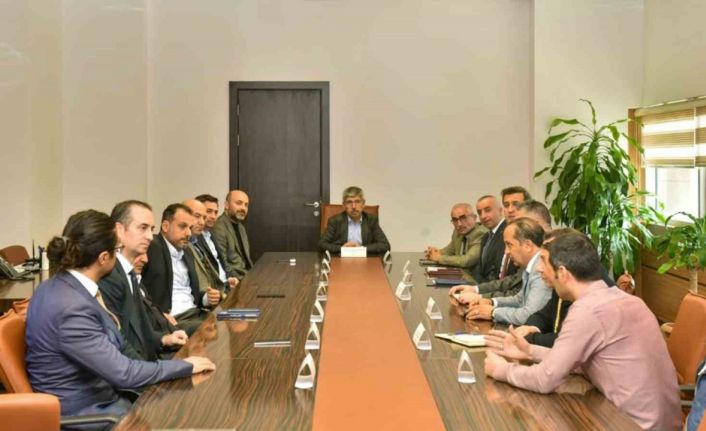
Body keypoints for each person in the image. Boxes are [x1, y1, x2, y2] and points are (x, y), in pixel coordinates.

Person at [25, 209, 215, 420]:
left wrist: (170, 361)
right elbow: (123, 373)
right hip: (90, 413)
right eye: (117, 250)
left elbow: (119, 343)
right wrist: (184, 366)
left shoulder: (66, 287)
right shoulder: (70, 307)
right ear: (103, 258)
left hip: (107, 394)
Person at [484, 230, 682, 430]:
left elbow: (545, 379)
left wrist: (501, 370)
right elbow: (584, 362)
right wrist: (530, 351)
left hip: (632, 425)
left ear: (563, 273)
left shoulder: (588, 310)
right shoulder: (628, 301)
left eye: (543, 261)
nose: (538, 269)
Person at [98, 200, 188, 361]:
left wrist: (164, 339)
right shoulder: (109, 276)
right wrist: (168, 369)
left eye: (151, 229)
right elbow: (120, 345)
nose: (150, 237)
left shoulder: (129, 273)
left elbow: (139, 332)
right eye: (143, 228)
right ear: (119, 230)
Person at [142, 204, 221, 335]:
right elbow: (139, 292)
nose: (188, 233)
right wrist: (157, 317)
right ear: (165, 226)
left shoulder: (187, 251)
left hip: (196, 313)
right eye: (182, 226)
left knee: (233, 318)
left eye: (190, 228)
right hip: (175, 320)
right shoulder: (152, 247)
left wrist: (206, 298)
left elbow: (189, 293)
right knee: (214, 328)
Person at [465, 217, 552, 325]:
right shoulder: (530, 265)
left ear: (528, 245)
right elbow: (520, 300)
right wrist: (492, 302)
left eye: (509, 245)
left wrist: (493, 312)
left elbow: (529, 315)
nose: (506, 252)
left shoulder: (540, 270)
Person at [318, 186, 391, 254]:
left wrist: (361, 248)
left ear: (363, 204)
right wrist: (342, 248)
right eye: (349, 202)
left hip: (365, 259)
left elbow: (385, 245)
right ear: (344, 205)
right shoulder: (335, 221)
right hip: (341, 258)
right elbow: (322, 245)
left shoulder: (371, 220)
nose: (353, 206)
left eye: (357, 201)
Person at [424, 203, 487, 281]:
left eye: (463, 218)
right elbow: (449, 251)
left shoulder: (481, 233)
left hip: (476, 282)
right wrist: (435, 252)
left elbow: (467, 260)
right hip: (460, 277)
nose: (459, 224)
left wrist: (439, 258)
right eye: (455, 220)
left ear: (474, 218)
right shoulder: (458, 232)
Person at [194, 194, 238, 291]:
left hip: (226, 286)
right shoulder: (194, 240)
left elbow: (222, 263)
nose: (213, 216)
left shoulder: (212, 233)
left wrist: (229, 279)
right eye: (209, 211)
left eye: (216, 212)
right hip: (214, 291)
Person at [183, 199, 226, 299]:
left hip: (213, 296)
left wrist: (226, 286)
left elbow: (211, 274)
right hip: (199, 303)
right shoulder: (180, 245)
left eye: (204, 217)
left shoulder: (195, 242)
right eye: (197, 216)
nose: (202, 222)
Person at [212, 190, 253, 280]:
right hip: (235, 280)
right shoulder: (219, 227)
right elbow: (222, 263)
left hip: (247, 275)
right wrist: (241, 279)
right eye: (239, 203)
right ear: (226, 205)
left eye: (246, 205)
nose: (243, 208)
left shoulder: (241, 227)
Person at [473, 195, 506, 283]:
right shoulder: (486, 237)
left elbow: (498, 272)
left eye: (487, 210)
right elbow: (481, 268)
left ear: (500, 211)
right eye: (479, 212)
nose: (483, 216)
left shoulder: (507, 234)